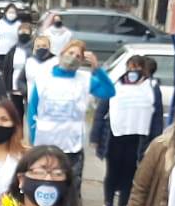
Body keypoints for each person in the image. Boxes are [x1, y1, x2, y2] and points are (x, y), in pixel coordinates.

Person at [25, 39, 114, 181]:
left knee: (70, 188)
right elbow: (32, 109)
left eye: (78, 56)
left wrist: (97, 69)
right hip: (45, 142)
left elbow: (109, 92)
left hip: (71, 146)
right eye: (70, 53)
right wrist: (34, 134)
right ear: (62, 54)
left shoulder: (85, 80)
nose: (73, 57)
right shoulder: (44, 78)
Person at [91, 55, 164, 206]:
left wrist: (155, 140)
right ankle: (108, 203)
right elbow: (101, 110)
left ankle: (123, 205)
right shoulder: (116, 84)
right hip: (115, 136)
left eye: (137, 68)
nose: (133, 71)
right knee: (112, 171)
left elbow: (157, 116)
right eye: (130, 67)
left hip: (137, 138)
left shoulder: (151, 87)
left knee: (130, 172)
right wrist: (95, 136)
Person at [0, 18, 34, 118]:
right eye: (21, 31)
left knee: (30, 112)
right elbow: (7, 68)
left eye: (26, 31)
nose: (23, 33)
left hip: (29, 85)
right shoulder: (13, 49)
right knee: (16, 113)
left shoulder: (33, 49)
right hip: (14, 85)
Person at [20, 33, 54, 111]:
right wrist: (26, 91)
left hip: (51, 104)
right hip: (31, 102)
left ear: (49, 47)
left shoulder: (55, 62)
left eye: (44, 46)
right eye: (38, 46)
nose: (41, 48)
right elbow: (20, 80)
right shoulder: (29, 61)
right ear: (34, 48)